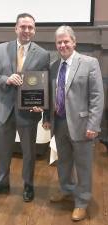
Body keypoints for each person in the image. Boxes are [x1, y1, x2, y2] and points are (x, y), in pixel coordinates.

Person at [0, 13, 50, 202]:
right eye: (23, 27)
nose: (27, 30)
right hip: (4, 110)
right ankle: (2, 182)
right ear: (16, 28)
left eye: (30, 27)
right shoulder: (1, 49)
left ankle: (28, 185)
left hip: (28, 113)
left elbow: (46, 86)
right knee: (3, 150)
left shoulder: (43, 54)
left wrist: (44, 110)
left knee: (29, 153)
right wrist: (6, 79)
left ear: (34, 30)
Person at [43, 26, 104, 221]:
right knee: (64, 162)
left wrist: (93, 125)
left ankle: (82, 202)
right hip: (59, 124)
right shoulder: (53, 67)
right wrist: (46, 117)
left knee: (83, 165)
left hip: (82, 125)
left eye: (66, 41)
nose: (62, 45)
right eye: (59, 42)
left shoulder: (89, 63)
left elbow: (97, 96)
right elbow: (50, 96)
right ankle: (67, 189)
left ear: (74, 42)